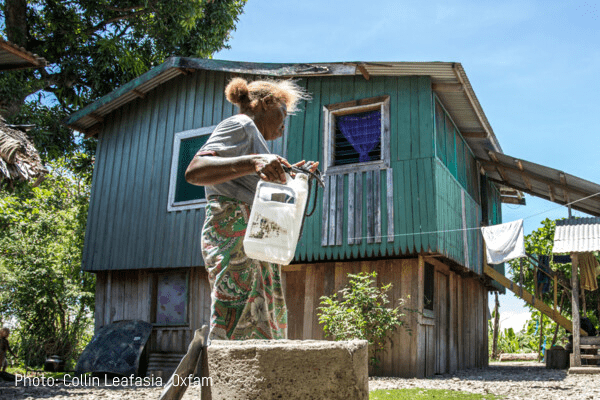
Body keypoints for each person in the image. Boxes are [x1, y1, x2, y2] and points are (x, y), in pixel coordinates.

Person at [185, 77, 317, 341]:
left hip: (257, 239)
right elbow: (195, 171)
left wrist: (294, 180)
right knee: (238, 314)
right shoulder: (242, 124)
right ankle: (228, 380)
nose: (283, 125)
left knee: (261, 319)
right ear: (267, 103)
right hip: (236, 233)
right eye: (283, 113)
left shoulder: (256, 140)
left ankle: (254, 381)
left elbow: (252, 183)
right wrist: (255, 160)